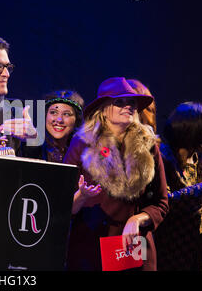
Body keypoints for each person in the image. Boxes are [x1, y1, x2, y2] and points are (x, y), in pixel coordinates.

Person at [63, 77, 169, 271]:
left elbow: (161, 203)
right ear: (103, 108)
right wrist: (82, 196)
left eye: (131, 102)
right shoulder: (82, 143)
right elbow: (60, 203)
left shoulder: (148, 144)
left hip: (133, 248)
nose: (127, 106)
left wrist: (137, 219)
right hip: (92, 247)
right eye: (119, 101)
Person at [154, 102, 202, 270]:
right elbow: (164, 202)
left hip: (193, 254)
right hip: (168, 252)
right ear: (192, 129)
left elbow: (201, 208)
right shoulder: (162, 158)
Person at [23, 90, 84, 163]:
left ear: (77, 120)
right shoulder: (32, 147)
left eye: (66, 114)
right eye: (53, 112)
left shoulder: (82, 153)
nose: (59, 119)